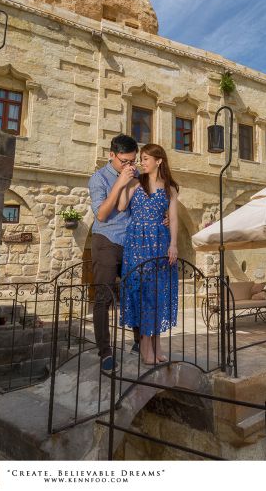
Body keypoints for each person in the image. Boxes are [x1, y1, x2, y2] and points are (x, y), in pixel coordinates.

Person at [117, 143, 179, 365]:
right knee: (142, 293)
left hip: (160, 243)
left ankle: (157, 345)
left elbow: (173, 219)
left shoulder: (170, 188)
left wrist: (173, 244)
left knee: (158, 294)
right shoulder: (135, 183)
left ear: (158, 161)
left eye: (145, 158)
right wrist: (123, 183)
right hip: (137, 244)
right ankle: (145, 347)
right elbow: (122, 207)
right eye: (141, 158)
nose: (141, 162)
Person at [87, 134, 143, 371]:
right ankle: (105, 352)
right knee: (104, 297)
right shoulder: (98, 179)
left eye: (132, 161)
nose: (129, 166)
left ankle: (141, 341)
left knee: (137, 292)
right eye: (124, 161)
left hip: (131, 241)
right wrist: (120, 182)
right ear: (111, 155)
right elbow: (101, 214)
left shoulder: (136, 175)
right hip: (106, 239)